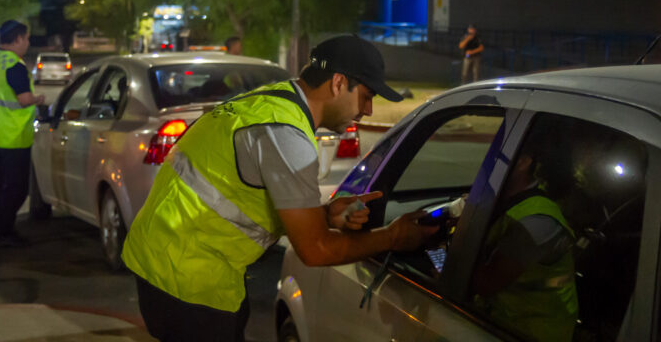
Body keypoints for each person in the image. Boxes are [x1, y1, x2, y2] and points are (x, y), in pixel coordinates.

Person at [122, 35, 437, 341]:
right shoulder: (285, 133)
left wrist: (325, 215)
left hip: (164, 263)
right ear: (339, 83)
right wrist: (393, 237)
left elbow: (241, 193)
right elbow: (316, 250)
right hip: (190, 281)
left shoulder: (269, 103)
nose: (368, 109)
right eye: (367, 96)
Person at [470, 123, 578, 342]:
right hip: (501, 320)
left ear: (522, 162)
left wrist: (440, 257)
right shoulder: (509, 200)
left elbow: (485, 284)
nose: (485, 163)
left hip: (530, 330)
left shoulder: (536, 222)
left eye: (494, 156)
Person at [0, 20, 46, 247]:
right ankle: (3, 232)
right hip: (12, 136)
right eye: (26, 38)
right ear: (17, 39)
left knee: (0, 183)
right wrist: (39, 99)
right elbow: (24, 99)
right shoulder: (14, 66)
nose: (27, 43)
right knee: (17, 189)